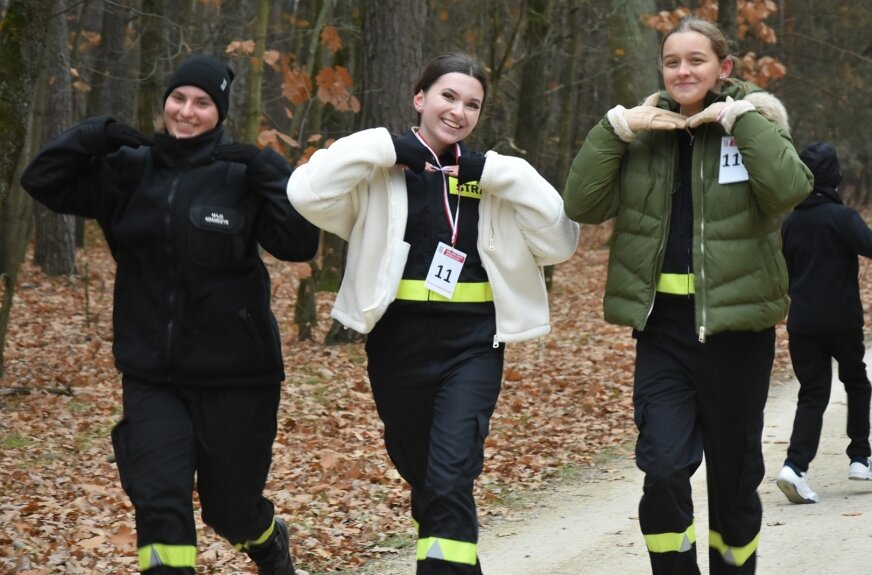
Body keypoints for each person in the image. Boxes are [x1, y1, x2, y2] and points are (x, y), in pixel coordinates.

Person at [20, 54, 319, 575]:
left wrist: (269, 168)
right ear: (165, 103)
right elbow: (41, 179)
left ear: (219, 112)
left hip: (238, 377)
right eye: (178, 98)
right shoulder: (129, 169)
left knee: (231, 511)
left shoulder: (241, 174)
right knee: (159, 503)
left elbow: (298, 244)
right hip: (151, 374)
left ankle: (267, 542)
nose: (187, 111)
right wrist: (100, 133)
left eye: (202, 103)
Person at [287, 53, 579, 574]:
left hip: (472, 344)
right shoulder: (378, 175)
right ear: (419, 98)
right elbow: (305, 191)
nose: (458, 111)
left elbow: (560, 239)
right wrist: (384, 146)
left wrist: (497, 173)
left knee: (449, 476)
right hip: (397, 341)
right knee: (424, 476)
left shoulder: (491, 177)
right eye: (448, 96)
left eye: (472, 104)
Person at [562, 17, 812, 575]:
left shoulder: (757, 122)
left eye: (696, 60)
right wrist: (615, 128)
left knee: (734, 473)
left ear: (722, 68)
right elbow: (582, 204)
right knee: (665, 466)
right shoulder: (641, 130)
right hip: (663, 333)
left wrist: (740, 120)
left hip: (737, 334)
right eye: (672, 61)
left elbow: (790, 190)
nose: (683, 71)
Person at [775, 142, 872, 504]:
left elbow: (785, 272)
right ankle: (860, 458)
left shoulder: (792, 223)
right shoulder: (842, 217)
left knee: (813, 394)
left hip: (801, 322)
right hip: (842, 322)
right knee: (857, 383)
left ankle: (794, 468)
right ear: (836, 178)